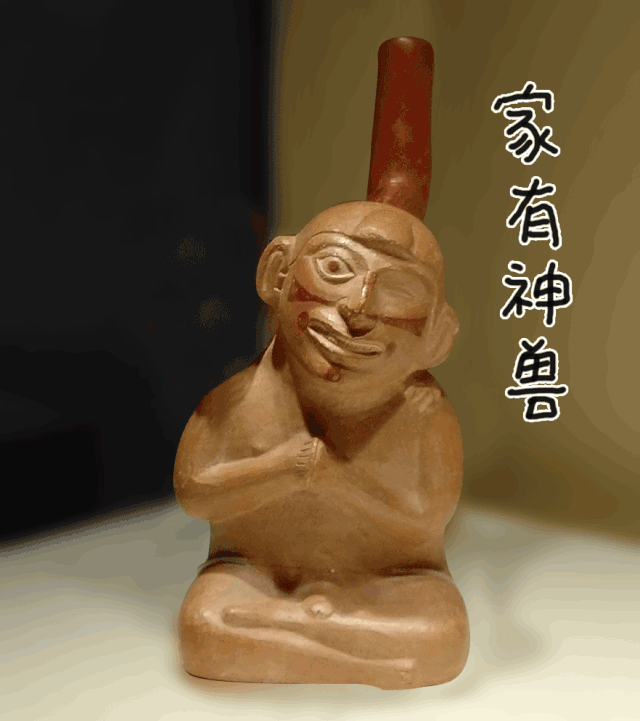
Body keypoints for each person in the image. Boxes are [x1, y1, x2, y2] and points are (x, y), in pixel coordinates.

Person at [174, 200, 469, 689]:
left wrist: (338, 479)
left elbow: (425, 519)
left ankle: (283, 635)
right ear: (277, 274)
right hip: (253, 572)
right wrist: (280, 468)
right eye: (335, 268)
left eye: (400, 289)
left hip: (393, 579)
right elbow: (195, 492)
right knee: (203, 623)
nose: (358, 307)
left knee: (443, 634)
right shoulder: (233, 404)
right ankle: (359, 654)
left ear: (437, 338)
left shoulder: (424, 415)